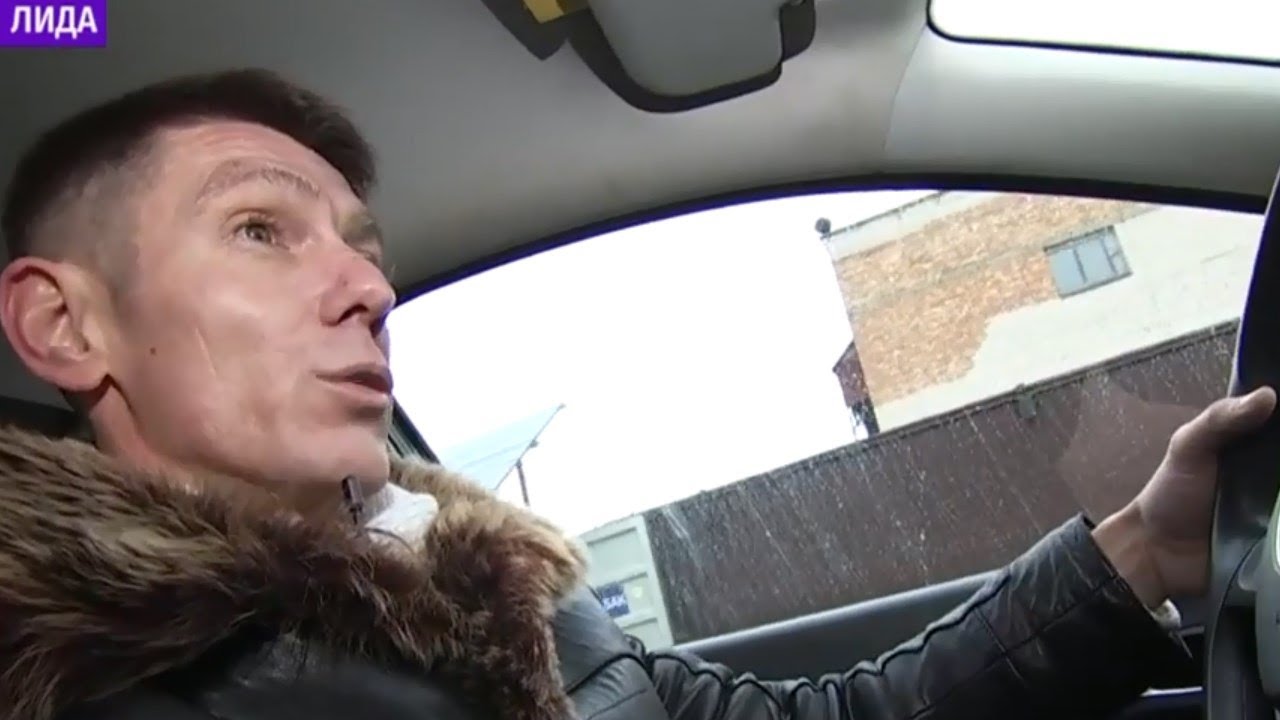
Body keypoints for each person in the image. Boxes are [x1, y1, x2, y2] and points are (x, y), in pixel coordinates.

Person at [0, 69, 1271, 720]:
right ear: (65, 325)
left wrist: (1143, 549)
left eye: (363, 249)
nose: (365, 288)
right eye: (259, 232)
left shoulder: (488, 586)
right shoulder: (84, 682)